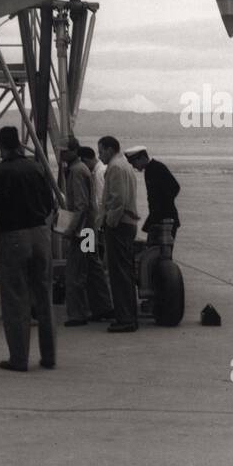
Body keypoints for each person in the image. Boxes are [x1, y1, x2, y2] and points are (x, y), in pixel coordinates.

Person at [0, 124, 57, 372]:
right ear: (19, 144)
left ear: (1, 145)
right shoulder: (36, 168)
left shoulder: (0, 172)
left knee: (15, 299)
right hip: (40, 235)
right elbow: (49, 204)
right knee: (43, 297)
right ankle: (49, 356)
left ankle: (19, 358)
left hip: (14, 236)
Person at [61, 137, 115, 327]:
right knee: (93, 267)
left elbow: (81, 205)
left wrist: (70, 229)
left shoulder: (76, 171)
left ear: (74, 151)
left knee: (75, 271)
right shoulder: (82, 169)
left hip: (82, 232)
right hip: (88, 229)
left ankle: (77, 314)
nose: (61, 154)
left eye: (64, 151)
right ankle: (103, 306)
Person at [96, 135, 140, 333]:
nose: (99, 156)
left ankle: (125, 318)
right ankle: (129, 315)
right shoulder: (126, 165)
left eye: (101, 151)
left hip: (119, 225)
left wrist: (109, 222)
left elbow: (117, 200)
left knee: (118, 274)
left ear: (109, 149)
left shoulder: (114, 167)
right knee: (126, 273)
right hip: (128, 224)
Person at [124, 145, 181, 237]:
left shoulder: (158, 168)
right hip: (159, 217)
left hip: (165, 218)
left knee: (162, 248)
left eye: (134, 162)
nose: (134, 166)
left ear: (142, 158)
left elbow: (175, 187)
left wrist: (162, 205)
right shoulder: (149, 170)